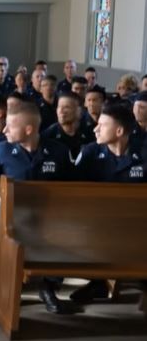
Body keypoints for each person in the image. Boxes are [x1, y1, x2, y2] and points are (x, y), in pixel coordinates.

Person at [0, 102, 76, 313]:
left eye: (11, 126)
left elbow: (73, 182)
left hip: (49, 212)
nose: (4, 130)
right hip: (12, 208)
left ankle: (49, 287)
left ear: (29, 129)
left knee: (67, 232)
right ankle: (3, 282)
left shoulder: (58, 151)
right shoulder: (3, 149)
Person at [72, 102, 146, 305]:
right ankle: (98, 282)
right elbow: (72, 189)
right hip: (97, 223)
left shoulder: (144, 154)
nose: (95, 129)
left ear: (119, 131)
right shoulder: (90, 153)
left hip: (137, 225)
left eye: (102, 125)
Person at [41, 92, 95, 159]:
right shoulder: (48, 135)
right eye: (59, 107)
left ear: (79, 111)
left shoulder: (90, 133)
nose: (61, 111)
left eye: (66, 107)